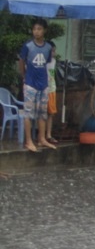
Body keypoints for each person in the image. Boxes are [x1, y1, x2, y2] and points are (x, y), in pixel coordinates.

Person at [17, 18, 57, 152]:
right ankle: (28, 141)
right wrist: (24, 76)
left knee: (42, 113)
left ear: (44, 30)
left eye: (39, 29)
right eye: (34, 29)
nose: (36, 32)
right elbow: (21, 61)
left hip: (44, 84)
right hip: (30, 84)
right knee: (28, 113)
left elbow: (47, 63)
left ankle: (42, 138)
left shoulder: (48, 47)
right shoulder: (28, 46)